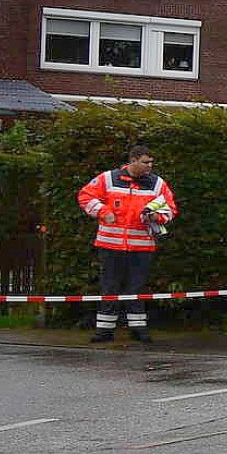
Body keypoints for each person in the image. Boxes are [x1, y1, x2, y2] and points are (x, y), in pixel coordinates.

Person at [76, 144, 177, 343]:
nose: (150, 166)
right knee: (109, 287)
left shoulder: (157, 184)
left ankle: (138, 329)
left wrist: (157, 217)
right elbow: (85, 196)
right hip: (110, 245)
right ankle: (104, 331)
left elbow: (171, 209)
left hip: (142, 246)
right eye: (146, 162)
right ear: (133, 161)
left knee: (136, 288)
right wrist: (103, 212)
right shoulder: (108, 178)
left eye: (151, 162)